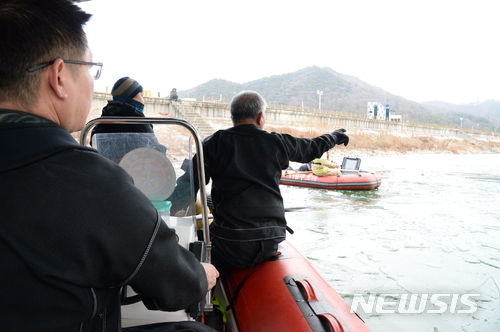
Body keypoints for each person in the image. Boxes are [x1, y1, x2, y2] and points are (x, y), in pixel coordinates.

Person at [0, 1, 218, 332]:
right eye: (90, 69)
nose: (91, 82)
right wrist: (201, 274)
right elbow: (175, 285)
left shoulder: (95, 140)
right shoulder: (87, 182)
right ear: (59, 76)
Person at [168, 90, 349, 271]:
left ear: (232, 116)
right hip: (272, 240)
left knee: (192, 243)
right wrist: (336, 136)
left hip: (230, 242)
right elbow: (312, 148)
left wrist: (163, 211)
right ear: (260, 117)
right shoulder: (277, 142)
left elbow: (188, 188)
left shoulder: (213, 143)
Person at [90, 77, 167, 163]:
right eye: (141, 96)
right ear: (132, 97)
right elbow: (156, 153)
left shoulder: (103, 119)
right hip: (133, 172)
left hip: (106, 172)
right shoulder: (136, 120)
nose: (143, 101)